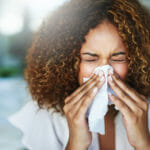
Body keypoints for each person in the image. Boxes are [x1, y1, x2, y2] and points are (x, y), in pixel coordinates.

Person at [8, 0, 150, 150]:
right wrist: (76, 144)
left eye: (118, 59)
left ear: (137, 61)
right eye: (90, 59)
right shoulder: (45, 115)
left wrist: (143, 143)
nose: (105, 71)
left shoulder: (145, 110)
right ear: (68, 62)